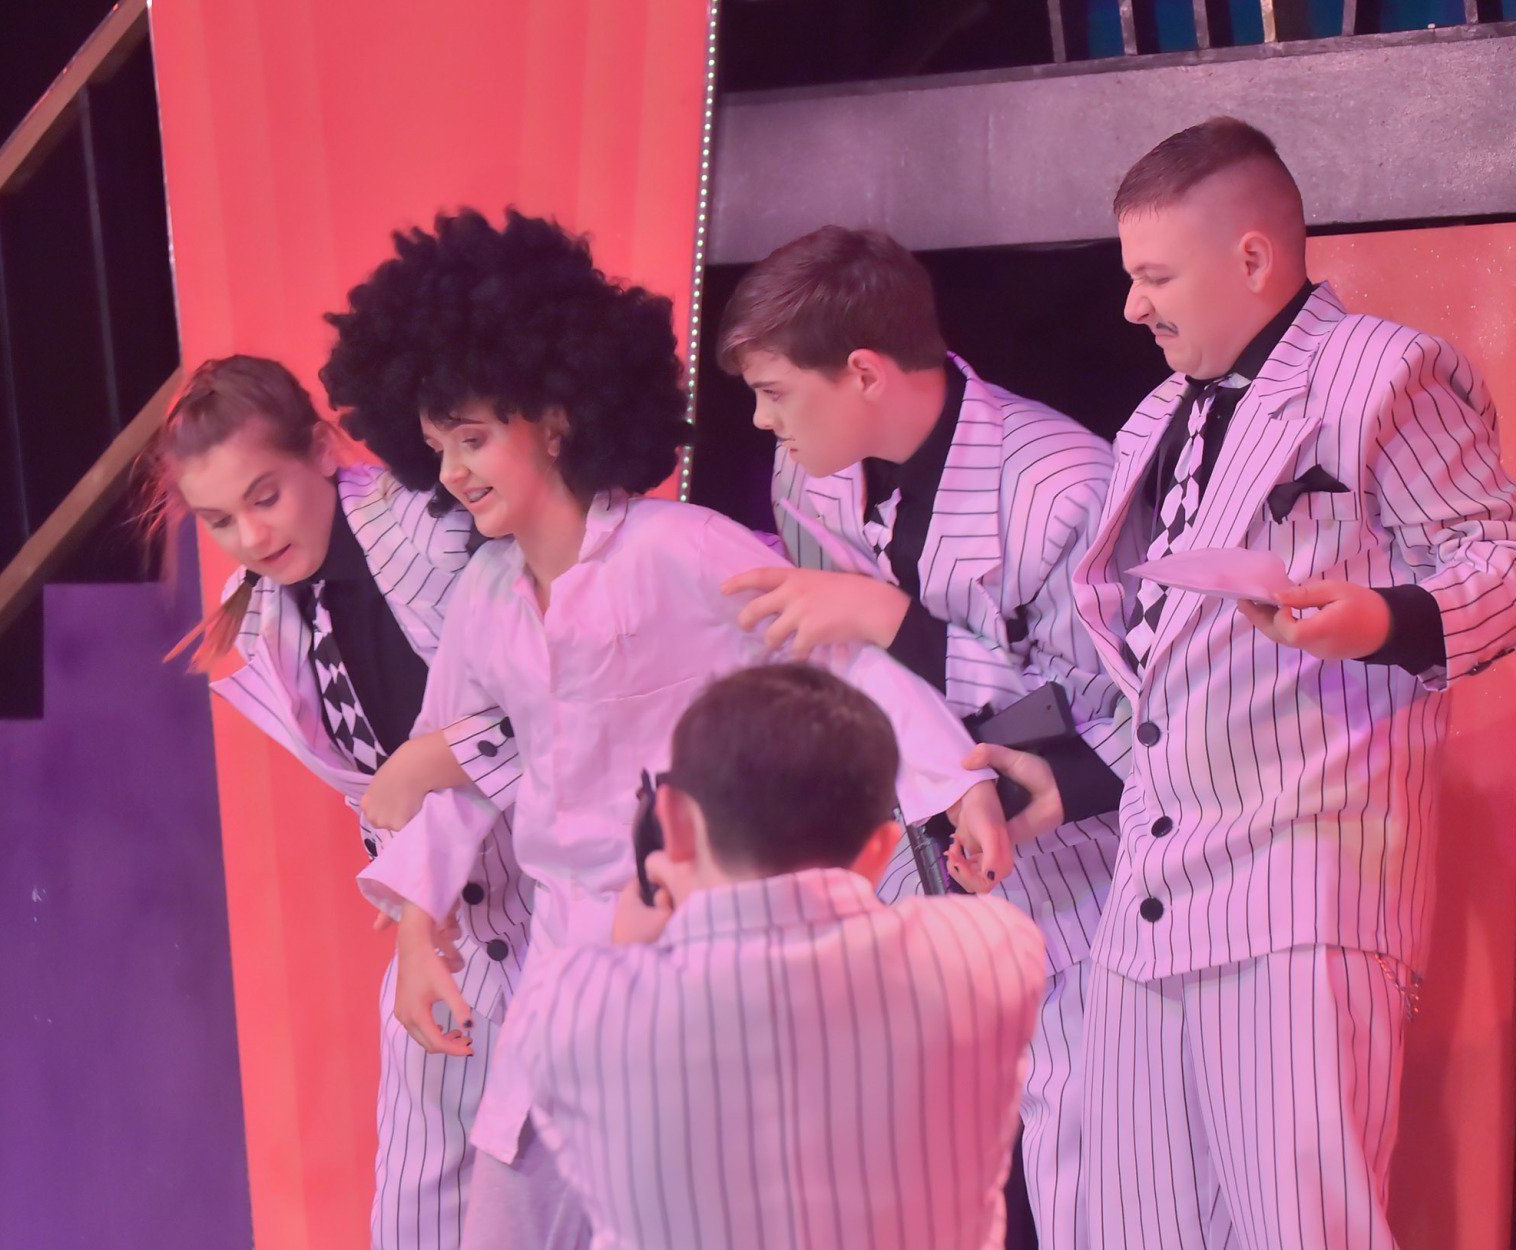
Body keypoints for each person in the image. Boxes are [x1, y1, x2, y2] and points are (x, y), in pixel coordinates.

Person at [319, 208, 1009, 1248]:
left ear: (556, 417)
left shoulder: (678, 547)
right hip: (559, 973)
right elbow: (452, 773)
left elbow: (838, 666)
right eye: (438, 449)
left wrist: (961, 783)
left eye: (473, 438)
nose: (454, 471)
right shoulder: (485, 599)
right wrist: (419, 932)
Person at [982, 117, 1516, 1249]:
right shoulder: (1156, 417)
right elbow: (1167, 675)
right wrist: (1067, 779)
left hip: (1299, 894)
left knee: (1301, 1228)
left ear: (1251, 258)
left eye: (1155, 277)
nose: (1132, 307)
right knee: (1127, 1229)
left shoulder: (1380, 372)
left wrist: (1383, 619)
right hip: (1146, 911)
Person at [715, 225, 1123, 1249]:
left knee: (1083, 1194)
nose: (761, 420)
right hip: (911, 882)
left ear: (861, 372)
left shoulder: (1062, 483)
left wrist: (889, 618)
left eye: (774, 391)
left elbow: (1118, 713)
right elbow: (846, 675)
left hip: (1079, 891)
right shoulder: (807, 477)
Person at [145, 355, 531, 1249]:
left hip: (568, 900)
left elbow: (561, 703)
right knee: (414, 1209)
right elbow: (380, 792)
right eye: (219, 520)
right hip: (453, 931)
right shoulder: (267, 614)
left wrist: (428, 768)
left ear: (321, 448)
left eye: (265, 496)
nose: (250, 535)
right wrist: (412, 896)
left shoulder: (438, 524)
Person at [520, 663, 1046, 1249]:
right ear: (880, 850)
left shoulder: (566, 1004)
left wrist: (641, 929)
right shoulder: (990, 952)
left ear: (673, 823)